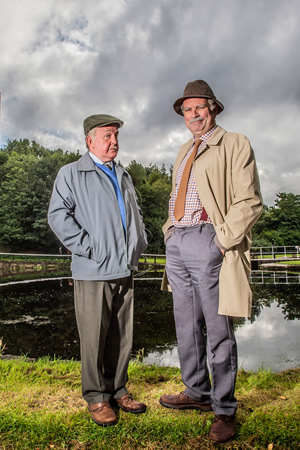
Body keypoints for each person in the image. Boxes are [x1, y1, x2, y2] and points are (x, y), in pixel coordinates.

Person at [159, 80, 263, 443]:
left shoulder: (234, 143)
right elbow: (178, 194)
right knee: (185, 325)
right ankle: (196, 392)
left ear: (213, 108)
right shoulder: (183, 150)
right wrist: (169, 230)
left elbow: (249, 200)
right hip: (178, 242)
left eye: (198, 108)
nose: (193, 115)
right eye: (187, 110)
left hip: (209, 239)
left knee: (218, 330)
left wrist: (220, 242)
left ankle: (224, 408)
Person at [48, 114, 148, 427]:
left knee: (121, 336)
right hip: (93, 270)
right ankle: (95, 397)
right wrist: (92, 249)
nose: (114, 141)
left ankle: (117, 388)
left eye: (116, 135)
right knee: (93, 338)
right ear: (90, 140)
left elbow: (134, 215)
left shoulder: (123, 174)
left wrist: (139, 243)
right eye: (107, 135)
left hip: (124, 268)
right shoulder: (72, 173)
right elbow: (58, 216)